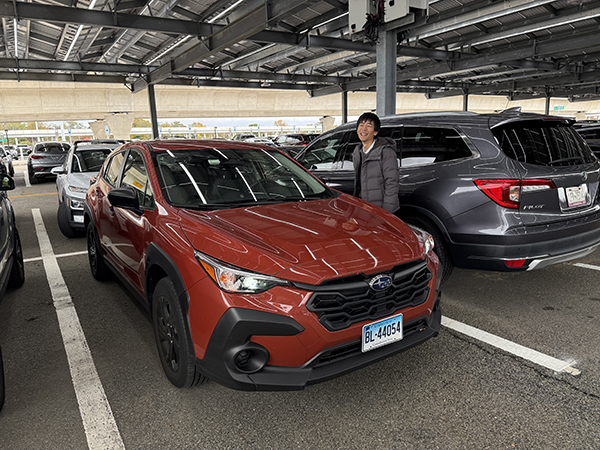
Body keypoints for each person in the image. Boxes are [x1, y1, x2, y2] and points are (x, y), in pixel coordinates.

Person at [352, 112, 400, 213]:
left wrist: (386, 212)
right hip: (364, 208)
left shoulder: (386, 152)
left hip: (380, 209)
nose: (364, 129)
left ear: (375, 132)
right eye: (361, 125)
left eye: (369, 126)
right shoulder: (357, 152)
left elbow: (392, 183)